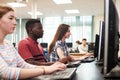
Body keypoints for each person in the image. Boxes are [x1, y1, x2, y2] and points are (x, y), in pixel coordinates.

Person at [0, 5, 66, 79]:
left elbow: (24, 65)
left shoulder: (8, 44)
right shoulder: (23, 43)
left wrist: (51, 67)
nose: (15, 23)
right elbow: (6, 73)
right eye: (10, 18)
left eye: (15, 19)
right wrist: (44, 70)